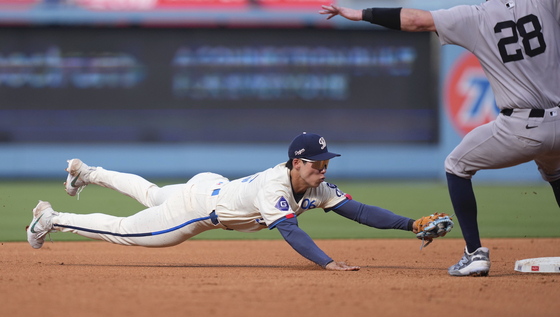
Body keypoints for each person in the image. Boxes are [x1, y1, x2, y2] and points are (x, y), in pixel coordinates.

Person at [320, 0, 560, 277]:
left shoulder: (475, 15)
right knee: (554, 169)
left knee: (456, 165)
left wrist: (362, 13)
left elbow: (416, 20)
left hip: (522, 125)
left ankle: (474, 253)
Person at [27, 132, 426, 271]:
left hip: (210, 185)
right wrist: (328, 262)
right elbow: (290, 230)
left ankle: (88, 172)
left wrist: (411, 225)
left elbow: (359, 211)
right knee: (127, 232)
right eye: (318, 162)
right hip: (197, 210)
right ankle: (49, 219)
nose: (324, 167)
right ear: (297, 162)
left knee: (150, 193)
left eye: (326, 162)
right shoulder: (276, 188)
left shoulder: (315, 185)